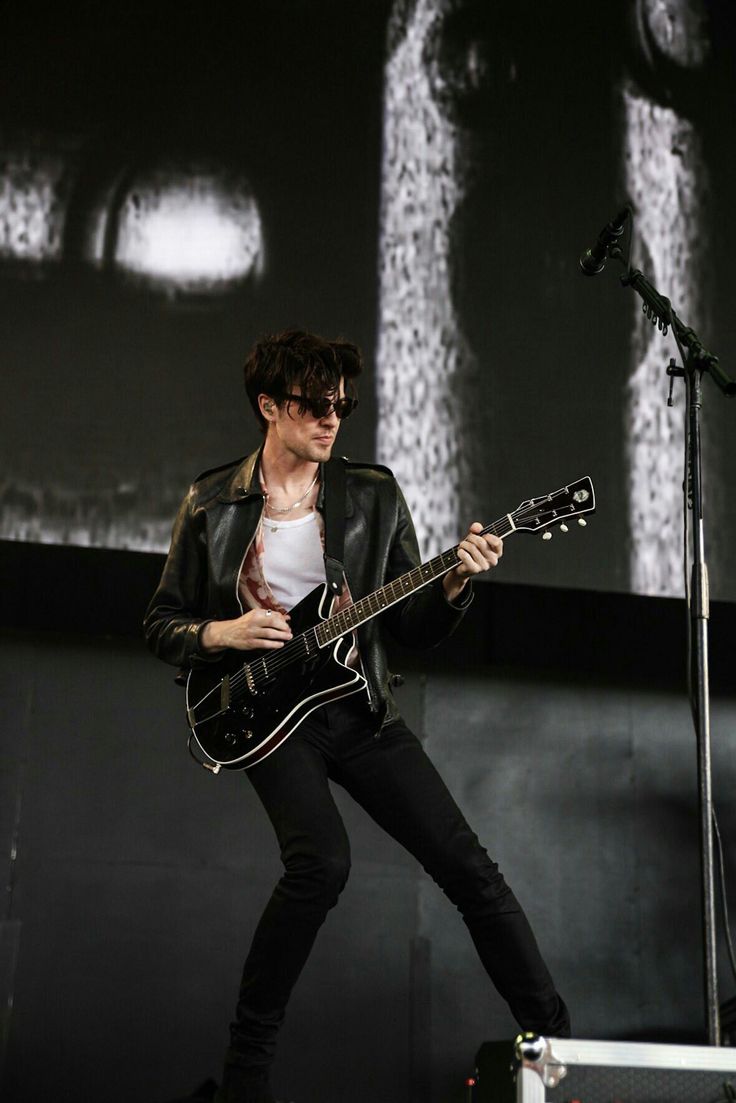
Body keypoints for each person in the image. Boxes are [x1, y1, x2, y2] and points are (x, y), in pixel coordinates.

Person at [144, 329, 569, 1103]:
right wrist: (222, 632)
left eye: (343, 403)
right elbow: (161, 621)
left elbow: (406, 626)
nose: (333, 418)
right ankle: (247, 1077)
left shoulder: (372, 493)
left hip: (360, 707)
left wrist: (450, 587)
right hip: (269, 716)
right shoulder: (212, 501)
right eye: (314, 404)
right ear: (269, 406)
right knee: (322, 864)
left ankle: (564, 1046)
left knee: (469, 866)